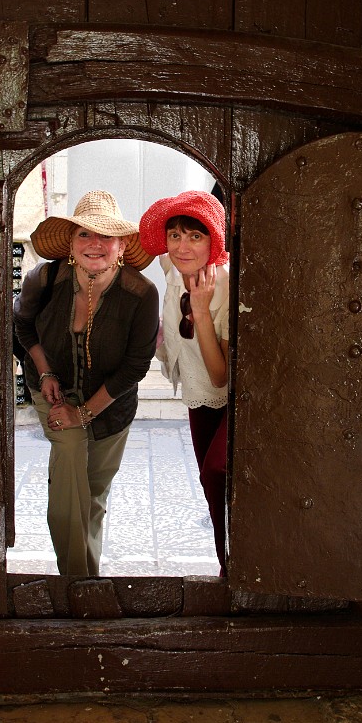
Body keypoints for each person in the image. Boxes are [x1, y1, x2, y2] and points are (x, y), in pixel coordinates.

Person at [13, 190, 159, 576]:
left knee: (92, 495)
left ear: (122, 245)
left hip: (112, 404)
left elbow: (135, 365)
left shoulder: (142, 293)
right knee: (71, 453)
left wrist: (86, 411)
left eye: (106, 236)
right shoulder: (44, 278)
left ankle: (86, 577)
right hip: (51, 388)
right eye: (84, 234)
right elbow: (22, 326)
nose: (95, 244)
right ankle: (76, 582)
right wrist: (44, 371)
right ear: (71, 244)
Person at [139, 190, 229, 575]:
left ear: (214, 240)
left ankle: (243, 561)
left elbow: (221, 375)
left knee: (216, 471)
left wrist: (202, 312)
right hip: (196, 393)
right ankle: (227, 565)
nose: (182, 246)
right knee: (211, 489)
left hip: (230, 397)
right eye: (175, 235)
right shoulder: (172, 267)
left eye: (196, 236)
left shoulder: (226, 284)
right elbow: (135, 247)